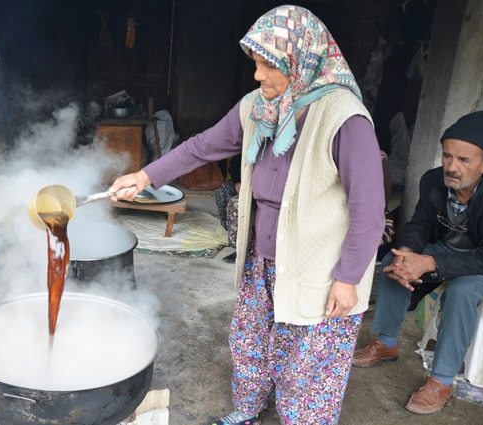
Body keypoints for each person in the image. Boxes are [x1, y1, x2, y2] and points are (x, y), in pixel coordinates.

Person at [110, 5, 385, 425]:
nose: (257, 75)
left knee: (306, 363)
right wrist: (145, 175)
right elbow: (203, 146)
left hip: (320, 267)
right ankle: (248, 410)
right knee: (250, 340)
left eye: (267, 65)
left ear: (301, 59)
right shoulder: (258, 106)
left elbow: (369, 210)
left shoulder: (344, 117)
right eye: (255, 63)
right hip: (264, 257)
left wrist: (348, 278)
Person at [352, 110, 483, 415]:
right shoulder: (433, 181)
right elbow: (419, 226)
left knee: (462, 291)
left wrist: (430, 262)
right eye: (447, 156)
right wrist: (407, 253)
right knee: (392, 262)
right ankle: (386, 341)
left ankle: (441, 380)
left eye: (464, 160)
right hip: (447, 247)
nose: (452, 167)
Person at [214, 154, 241, 263]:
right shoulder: (253, 142)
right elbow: (235, 164)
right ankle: (234, 239)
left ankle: (244, 248)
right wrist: (238, 181)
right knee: (223, 190)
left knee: (236, 203)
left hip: (266, 190)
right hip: (246, 183)